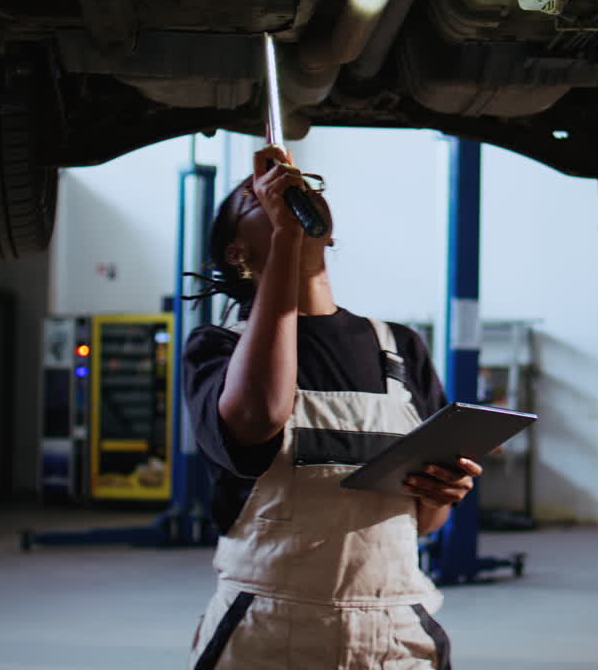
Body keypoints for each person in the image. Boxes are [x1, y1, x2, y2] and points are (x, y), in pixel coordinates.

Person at [182, 146, 479, 669]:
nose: (287, 194)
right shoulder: (218, 345)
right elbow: (258, 418)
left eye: (301, 189)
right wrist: (284, 244)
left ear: (331, 231)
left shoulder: (398, 346)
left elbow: (425, 521)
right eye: (259, 196)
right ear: (235, 253)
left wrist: (444, 492)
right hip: (268, 629)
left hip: (395, 631)